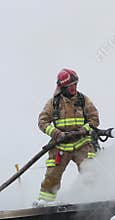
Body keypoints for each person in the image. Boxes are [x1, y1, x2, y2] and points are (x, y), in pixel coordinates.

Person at [33, 68, 99, 207]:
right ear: (63, 87)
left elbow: (94, 119)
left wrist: (83, 130)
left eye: (75, 84)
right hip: (60, 146)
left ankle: (95, 202)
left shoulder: (83, 100)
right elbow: (42, 122)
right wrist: (56, 133)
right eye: (70, 86)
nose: (74, 88)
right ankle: (45, 204)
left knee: (91, 172)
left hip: (82, 143)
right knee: (52, 177)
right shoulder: (53, 103)